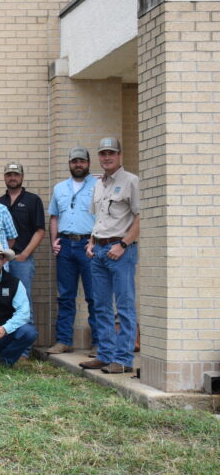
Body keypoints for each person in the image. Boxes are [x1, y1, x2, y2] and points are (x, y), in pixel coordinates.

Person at [82, 137, 139, 375]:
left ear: (120, 155)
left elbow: (140, 217)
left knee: (124, 306)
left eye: (111, 153)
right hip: (100, 251)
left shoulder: (131, 181)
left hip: (120, 251)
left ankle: (124, 358)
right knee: (101, 306)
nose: (107, 157)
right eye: (103, 153)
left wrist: (124, 244)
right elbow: (100, 219)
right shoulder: (98, 184)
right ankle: (105, 355)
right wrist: (91, 242)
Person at [46, 148, 100, 355]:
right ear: (69, 163)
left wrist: (95, 241)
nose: (78, 164)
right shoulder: (60, 188)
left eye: (82, 161)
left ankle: (99, 344)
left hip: (89, 245)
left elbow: (103, 215)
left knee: (94, 296)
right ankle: (64, 340)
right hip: (66, 246)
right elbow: (54, 217)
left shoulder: (98, 185)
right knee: (65, 296)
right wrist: (54, 242)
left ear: (88, 163)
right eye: (74, 161)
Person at [0, 161, 45, 333]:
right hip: (1, 262)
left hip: (21, 260)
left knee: (23, 301)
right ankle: (6, 344)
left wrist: (24, 254)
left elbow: (40, 231)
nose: (12, 177)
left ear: (22, 177)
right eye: (9, 174)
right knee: (2, 301)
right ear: (4, 177)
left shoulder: (33, 200)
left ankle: (25, 348)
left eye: (16, 174)